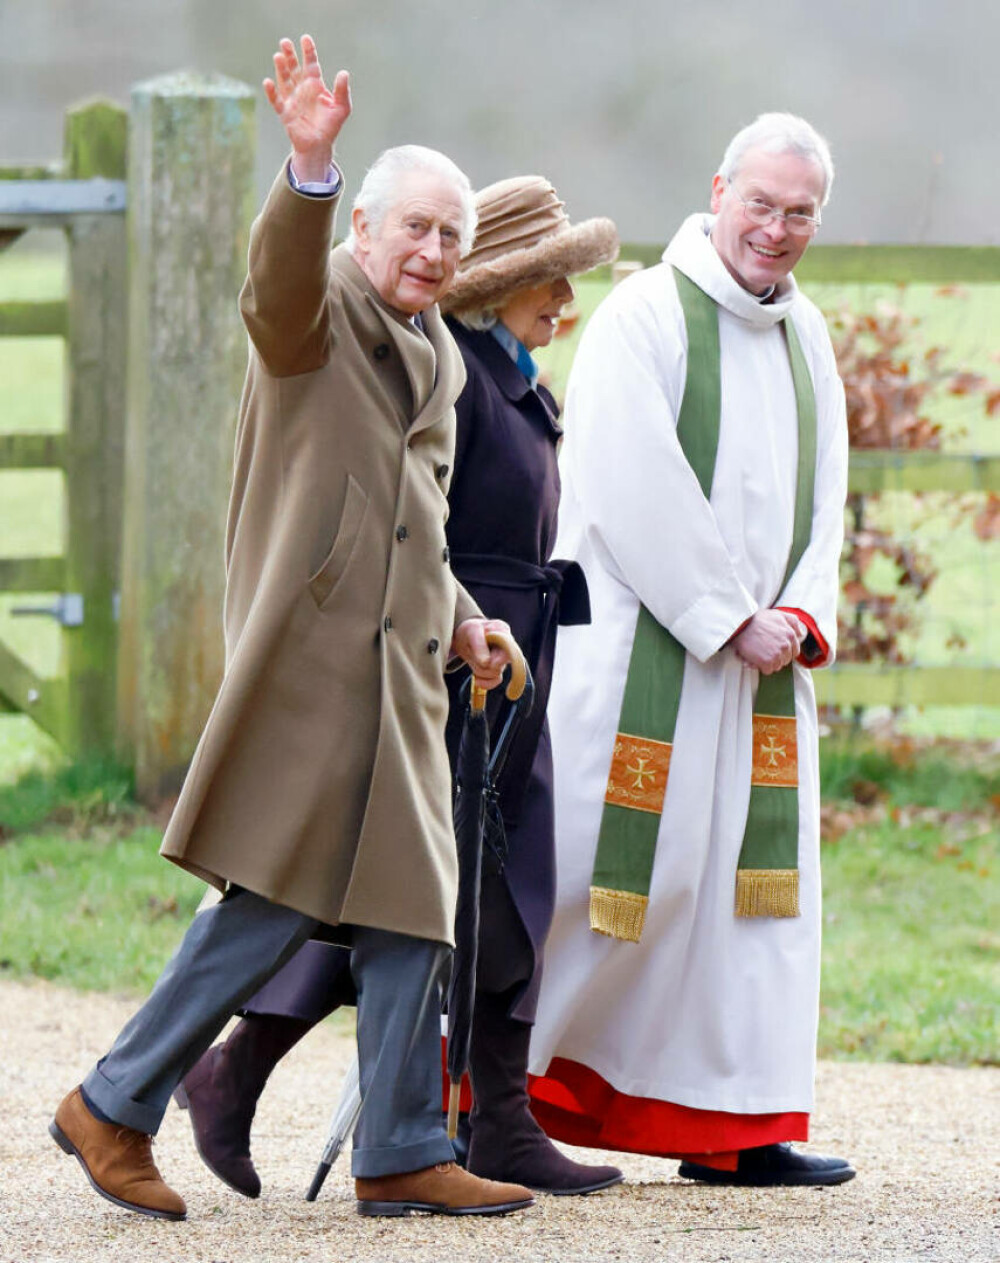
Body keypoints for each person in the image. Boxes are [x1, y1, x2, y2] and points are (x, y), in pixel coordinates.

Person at [48, 34, 537, 1221]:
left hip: (402, 685)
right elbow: (273, 279)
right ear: (363, 232)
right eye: (411, 227)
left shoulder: (439, 360)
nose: (430, 251)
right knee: (271, 902)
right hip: (316, 678)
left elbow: (409, 525)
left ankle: (401, 1148)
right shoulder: (311, 324)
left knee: (412, 907)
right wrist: (308, 169)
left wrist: (469, 622)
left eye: (449, 237)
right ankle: (113, 1105)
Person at [174, 176, 626, 1199]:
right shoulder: (450, 374)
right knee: (419, 893)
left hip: (505, 658)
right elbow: (410, 526)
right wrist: (453, 631)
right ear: (494, 288)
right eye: (547, 286)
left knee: (465, 890)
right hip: (452, 667)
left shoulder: (504, 373)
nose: (564, 305)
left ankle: (282, 1086)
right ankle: (437, 1115)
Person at [524, 113, 857, 1188]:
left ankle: (732, 1126)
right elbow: (628, 486)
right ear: (718, 190)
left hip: (763, 676)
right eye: (760, 203)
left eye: (799, 212)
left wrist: (800, 616)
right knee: (603, 878)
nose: (776, 229)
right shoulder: (643, 318)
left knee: (752, 899)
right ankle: (496, 1099)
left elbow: (827, 500)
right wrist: (726, 615)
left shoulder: (807, 335)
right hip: (646, 663)